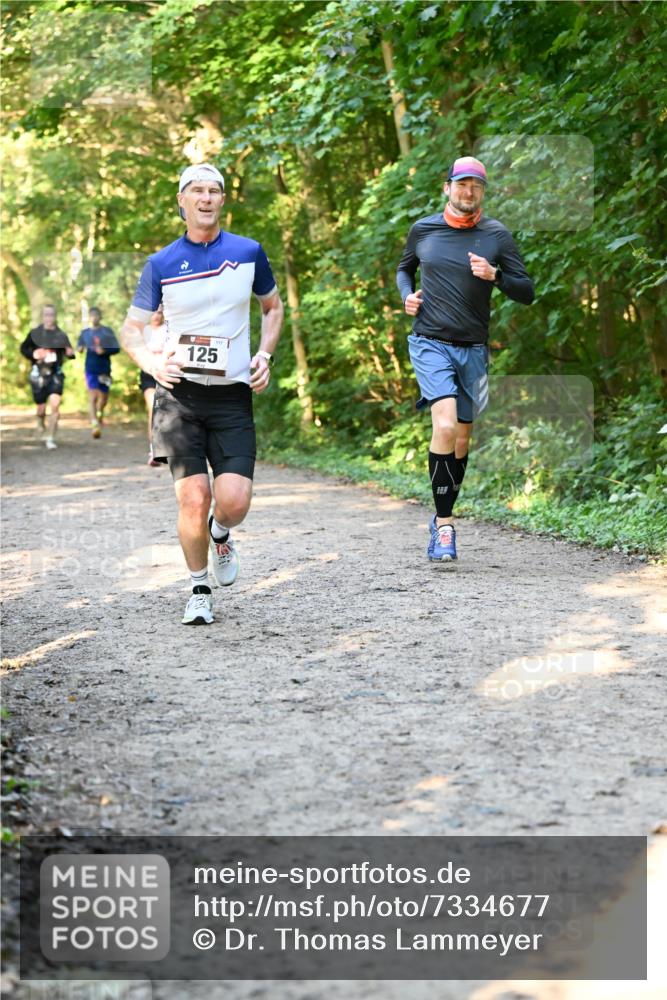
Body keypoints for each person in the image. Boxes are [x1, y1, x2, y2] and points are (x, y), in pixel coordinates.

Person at [120, 163, 284, 625]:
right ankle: (198, 589)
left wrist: (265, 356)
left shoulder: (248, 252)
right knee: (193, 498)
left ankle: (220, 534)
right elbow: (131, 329)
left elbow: (272, 308)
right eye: (197, 190)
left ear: (222, 200)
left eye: (214, 190)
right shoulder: (161, 263)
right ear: (182, 201)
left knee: (233, 502)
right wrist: (152, 364)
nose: (206, 198)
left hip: (232, 396)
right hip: (178, 398)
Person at [396, 156, 534, 565]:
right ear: (447, 188)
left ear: (482, 192)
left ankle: (442, 514)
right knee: (445, 425)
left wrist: (496, 276)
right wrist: (406, 296)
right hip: (429, 342)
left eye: (476, 185)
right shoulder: (423, 230)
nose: (468, 191)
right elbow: (404, 269)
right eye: (461, 184)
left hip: (474, 348)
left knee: (461, 439)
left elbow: (527, 291)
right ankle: (445, 525)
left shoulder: (496, 235)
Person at [20, 304, 75, 449]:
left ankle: (50, 438)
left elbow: (70, 353)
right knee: (41, 409)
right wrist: (33, 354)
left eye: (51, 314)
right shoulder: (35, 333)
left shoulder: (61, 335)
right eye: (46, 314)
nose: (49, 317)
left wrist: (70, 353)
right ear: (42, 316)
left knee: (55, 406)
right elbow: (23, 348)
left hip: (56, 374)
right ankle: (40, 420)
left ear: (55, 316)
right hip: (38, 375)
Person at [76, 306, 120, 438]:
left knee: (103, 399)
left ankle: (100, 413)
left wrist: (105, 351)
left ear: (100, 317)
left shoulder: (107, 331)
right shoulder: (85, 333)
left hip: (105, 370)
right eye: (92, 315)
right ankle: (94, 424)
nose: (94, 318)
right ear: (89, 317)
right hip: (91, 369)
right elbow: (79, 347)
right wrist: (80, 349)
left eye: (96, 315)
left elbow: (116, 348)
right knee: (93, 397)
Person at [139, 305, 167, 466]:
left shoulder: (169, 329)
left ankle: (172, 448)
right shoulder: (143, 331)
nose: (157, 315)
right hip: (149, 374)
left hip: (167, 374)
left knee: (166, 411)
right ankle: (154, 450)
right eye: (154, 312)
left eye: (160, 312)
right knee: (153, 408)